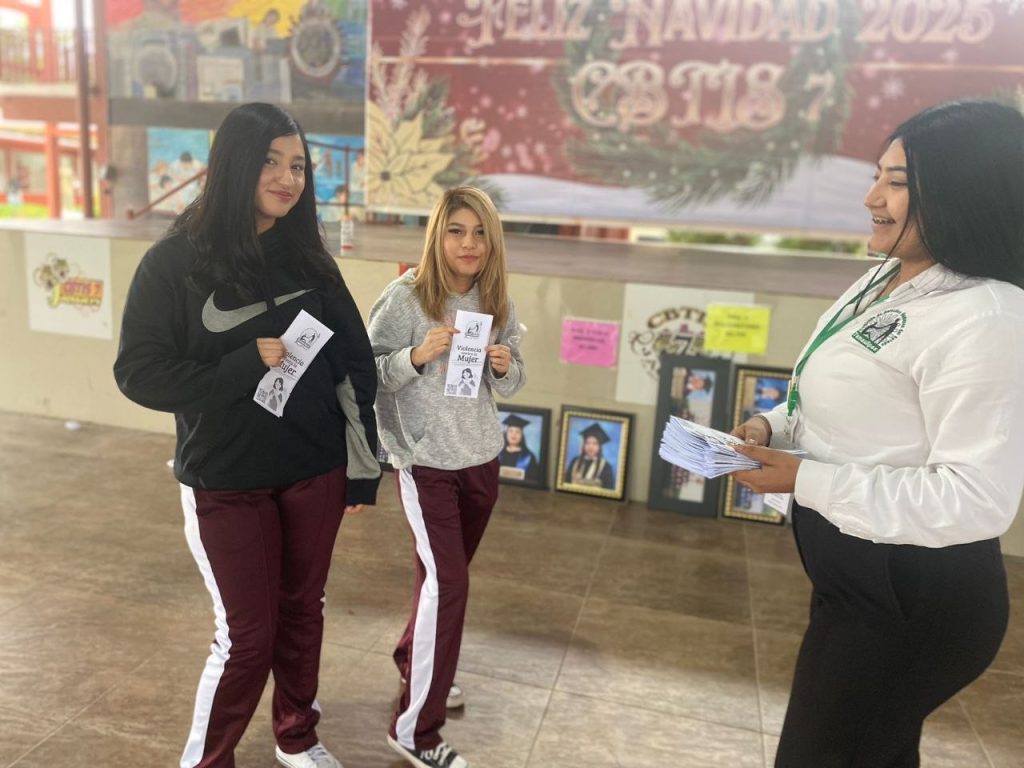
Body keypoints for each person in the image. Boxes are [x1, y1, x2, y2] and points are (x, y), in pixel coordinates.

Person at [729, 100, 1024, 768]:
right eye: (875, 177)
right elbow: (854, 404)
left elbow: (975, 499)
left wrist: (804, 477)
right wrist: (773, 424)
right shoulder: (888, 278)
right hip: (857, 584)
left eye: (897, 183)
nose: (871, 199)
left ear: (963, 191)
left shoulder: (988, 317)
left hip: (914, 599)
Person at [114, 102, 381, 768]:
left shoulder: (310, 261)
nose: (288, 178)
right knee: (247, 636)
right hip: (225, 478)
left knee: (304, 611)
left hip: (314, 469)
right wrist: (238, 367)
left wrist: (362, 466)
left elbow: (354, 363)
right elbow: (138, 372)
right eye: (270, 161)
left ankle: (297, 735)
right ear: (234, 162)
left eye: (299, 166)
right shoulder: (174, 262)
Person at [367, 186, 525, 768]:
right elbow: (366, 373)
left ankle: (417, 662)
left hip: (480, 458)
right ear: (438, 234)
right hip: (426, 463)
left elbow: (514, 377)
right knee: (449, 585)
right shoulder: (405, 297)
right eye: (457, 230)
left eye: (480, 233)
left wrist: (505, 366)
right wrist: (414, 357)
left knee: (438, 580)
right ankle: (417, 731)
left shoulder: (496, 298)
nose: (468, 243)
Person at [563, 422, 615, 490]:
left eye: (595, 443)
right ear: (584, 445)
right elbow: (566, 484)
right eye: (587, 443)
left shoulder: (606, 467)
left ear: (600, 447)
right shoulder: (575, 461)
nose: (590, 447)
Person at [497, 413, 542, 484]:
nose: (513, 434)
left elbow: (533, 480)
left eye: (517, 432)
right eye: (511, 431)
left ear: (522, 436)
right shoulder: (497, 454)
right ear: (506, 434)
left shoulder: (529, 457)